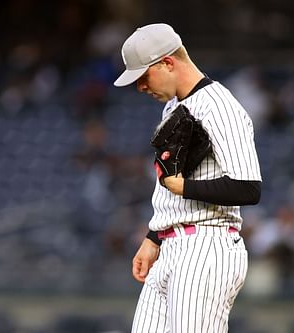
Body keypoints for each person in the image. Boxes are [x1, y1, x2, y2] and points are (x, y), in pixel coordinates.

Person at [113, 23, 262, 332]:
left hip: (207, 245)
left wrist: (183, 187)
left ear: (168, 62)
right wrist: (154, 237)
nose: (140, 86)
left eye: (143, 76)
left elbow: (248, 188)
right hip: (171, 246)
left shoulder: (219, 105)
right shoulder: (173, 106)